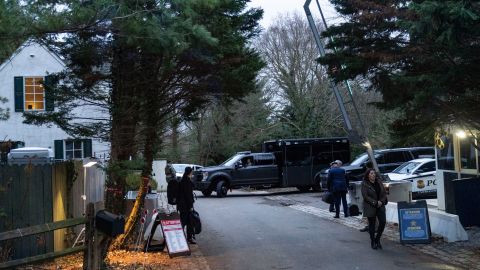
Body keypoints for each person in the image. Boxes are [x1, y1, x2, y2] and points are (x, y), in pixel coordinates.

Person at [361, 168, 387, 250]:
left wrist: (381, 202)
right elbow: (365, 196)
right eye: (371, 173)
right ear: (368, 175)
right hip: (370, 206)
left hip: (380, 205)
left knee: (383, 222)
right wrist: (375, 202)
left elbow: (384, 193)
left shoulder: (379, 181)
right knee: (371, 225)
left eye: (374, 173)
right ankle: (373, 241)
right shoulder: (365, 183)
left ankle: (377, 239)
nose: (373, 175)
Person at [177, 166, 196, 244]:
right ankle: (181, 237)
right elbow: (188, 195)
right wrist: (191, 206)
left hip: (182, 206)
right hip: (186, 206)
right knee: (185, 222)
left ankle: (188, 238)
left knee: (188, 222)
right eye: (191, 172)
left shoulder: (184, 180)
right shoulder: (186, 181)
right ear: (189, 172)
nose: (192, 174)